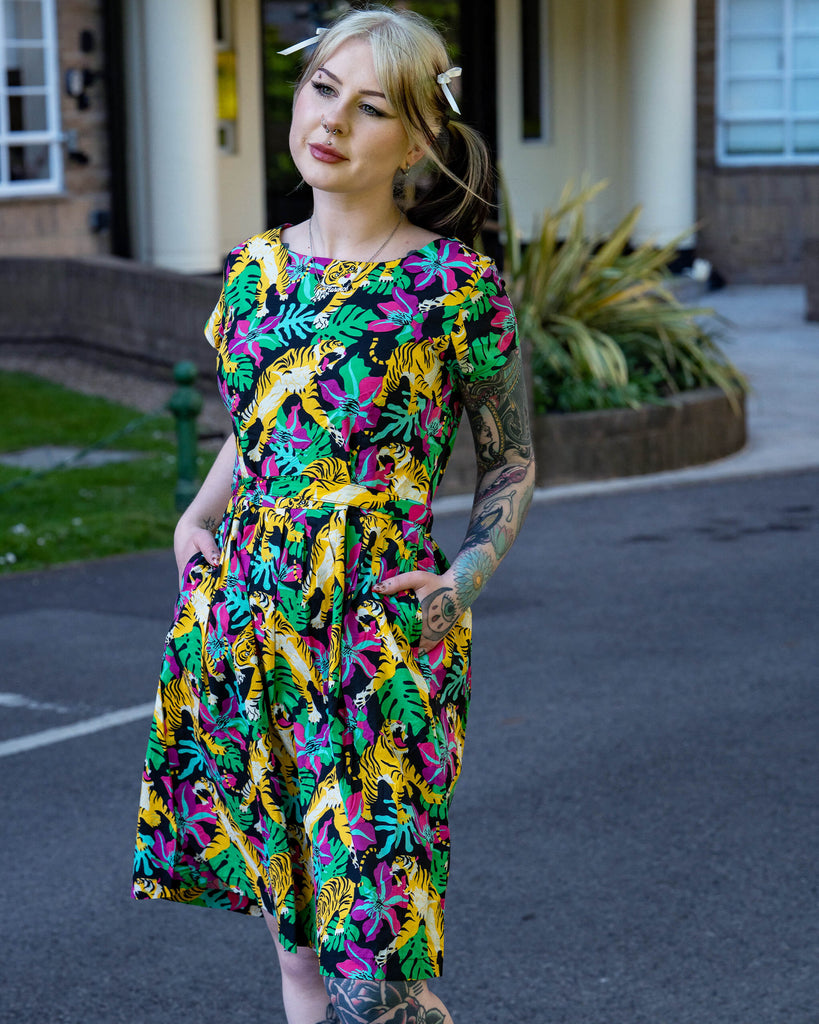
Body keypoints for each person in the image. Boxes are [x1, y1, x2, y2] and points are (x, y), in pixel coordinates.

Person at [132, 7, 534, 1023]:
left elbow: (511, 464)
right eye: (323, 91)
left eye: (371, 108)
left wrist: (461, 581)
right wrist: (196, 515)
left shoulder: (454, 289)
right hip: (253, 624)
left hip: (379, 639)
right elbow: (267, 422)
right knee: (297, 948)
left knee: (375, 961)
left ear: (418, 140)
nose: (334, 124)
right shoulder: (256, 270)